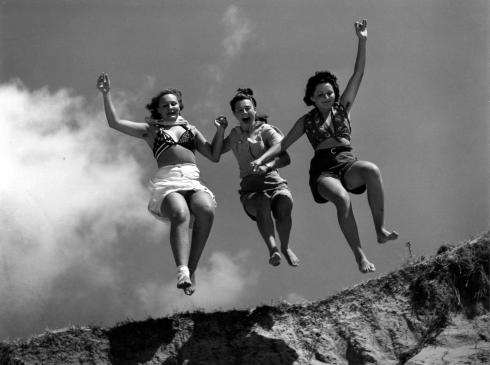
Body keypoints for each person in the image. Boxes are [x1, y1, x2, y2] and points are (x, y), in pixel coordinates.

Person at [250, 20, 398, 273]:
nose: (327, 97)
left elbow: (358, 73)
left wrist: (362, 40)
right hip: (323, 171)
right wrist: (262, 160)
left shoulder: (343, 108)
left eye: (330, 92)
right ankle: (360, 255)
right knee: (342, 198)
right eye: (320, 94)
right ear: (312, 99)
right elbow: (283, 144)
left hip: (347, 162)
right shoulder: (306, 120)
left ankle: (380, 230)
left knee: (372, 170)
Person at [96, 73, 227, 295]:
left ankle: (192, 268)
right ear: (158, 109)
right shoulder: (152, 130)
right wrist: (106, 94)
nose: (170, 108)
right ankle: (182, 270)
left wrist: (220, 131)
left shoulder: (191, 130)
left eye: (174, 104)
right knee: (180, 213)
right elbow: (115, 123)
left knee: (206, 210)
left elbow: (214, 155)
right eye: (165, 105)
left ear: (180, 106)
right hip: (168, 179)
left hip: (193, 177)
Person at [215, 88, 299, 267]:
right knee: (261, 203)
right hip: (250, 187)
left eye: (247, 108)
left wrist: (267, 165)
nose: (244, 112)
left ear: (254, 109)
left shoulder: (267, 131)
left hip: (273, 181)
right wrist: (221, 130)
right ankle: (273, 249)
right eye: (239, 110)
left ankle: (285, 247)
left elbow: (285, 158)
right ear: (235, 114)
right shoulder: (235, 134)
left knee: (284, 202)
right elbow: (216, 153)